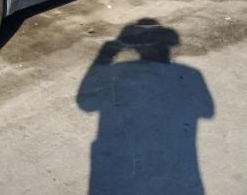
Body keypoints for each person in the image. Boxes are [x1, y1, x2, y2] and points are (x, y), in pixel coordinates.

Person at [77, 18, 214, 195]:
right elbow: (207, 111)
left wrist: (107, 53)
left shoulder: (119, 71)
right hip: (175, 171)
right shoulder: (190, 74)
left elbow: (86, 104)